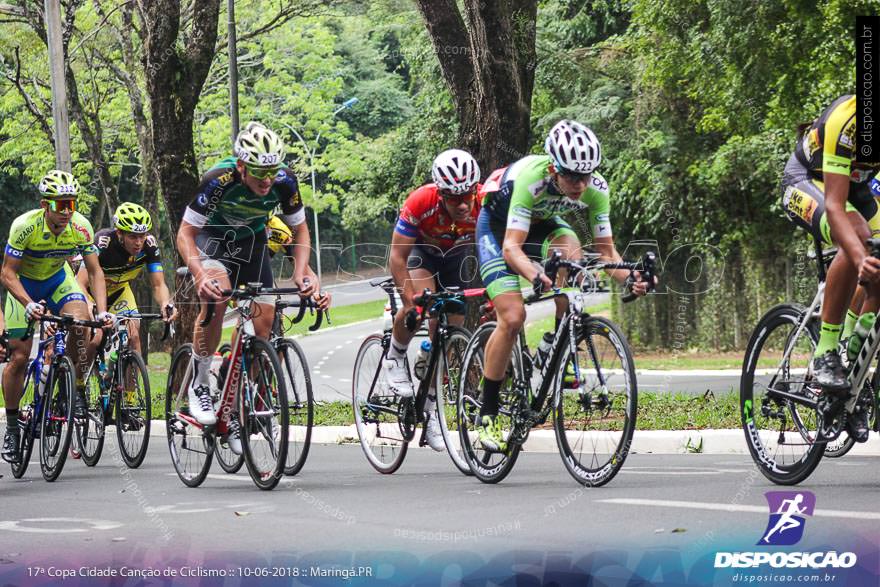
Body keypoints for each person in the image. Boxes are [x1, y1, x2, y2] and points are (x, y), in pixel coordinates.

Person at [474, 120, 651, 452]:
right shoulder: (530, 179)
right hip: (498, 230)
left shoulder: (596, 187)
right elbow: (512, 249)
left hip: (542, 224)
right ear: (554, 168)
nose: (581, 185)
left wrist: (633, 277)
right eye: (572, 176)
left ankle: (558, 345)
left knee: (571, 253)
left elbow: (605, 252)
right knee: (512, 317)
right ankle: (488, 415)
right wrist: (533, 275)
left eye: (586, 176)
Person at [176, 122, 329, 454]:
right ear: (241, 166)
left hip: (252, 243)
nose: (267, 179)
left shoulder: (284, 180)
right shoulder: (218, 179)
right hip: (213, 240)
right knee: (217, 297)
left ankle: (234, 409)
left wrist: (302, 272)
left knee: (263, 325)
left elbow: (299, 231)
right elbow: (185, 234)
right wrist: (200, 274)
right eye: (259, 171)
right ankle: (201, 383)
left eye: (271, 171)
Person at [781, 94, 880, 441]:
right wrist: (859, 257)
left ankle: (855, 364)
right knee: (857, 236)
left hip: (860, 189)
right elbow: (836, 208)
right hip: (806, 181)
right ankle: (825, 351)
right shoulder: (848, 120)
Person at [1, 170, 113, 462]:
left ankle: (69, 385)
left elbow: (96, 271)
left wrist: (101, 311)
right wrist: (27, 303)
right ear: (44, 205)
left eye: (71, 204)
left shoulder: (81, 227)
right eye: (60, 205)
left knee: (81, 325)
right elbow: (7, 273)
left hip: (57, 280)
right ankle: (12, 428)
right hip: (23, 285)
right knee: (19, 357)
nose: (66, 211)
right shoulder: (24, 226)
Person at [382, 148, 482, 451]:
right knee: (424, 305)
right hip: (421, 254)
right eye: (454, 198)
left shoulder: (483, 204)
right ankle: (396, 355)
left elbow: (496, 248)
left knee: (452, 321)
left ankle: (431, 403)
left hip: (455, 257)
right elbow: (397, 258)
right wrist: (409, 303)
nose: (463, 203)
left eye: (467, 195)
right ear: (440, 194)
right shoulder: (420, 201)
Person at [76, 202, 177, 358]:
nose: (138, 242)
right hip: (92, 292)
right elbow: (80, 282)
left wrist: (165, 303)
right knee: (96, 339)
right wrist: (88, 303)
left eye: (142, 235)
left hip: (120, 290)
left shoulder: (149, 245)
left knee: (134, 335)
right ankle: (80, 380)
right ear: (119, 233)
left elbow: (158, 284)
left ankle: (129, 380)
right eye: (132, 236)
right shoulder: (103, 242)